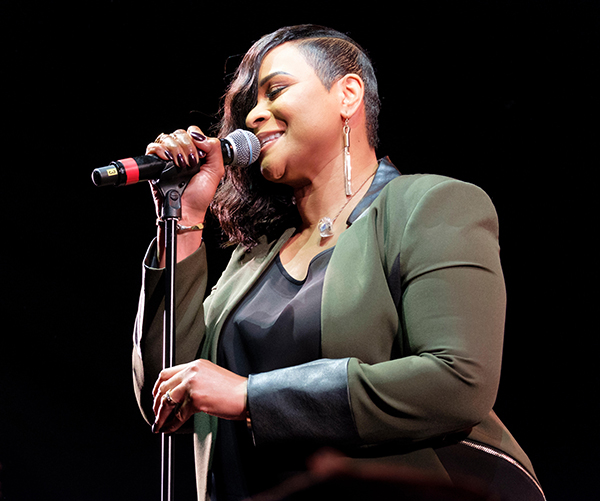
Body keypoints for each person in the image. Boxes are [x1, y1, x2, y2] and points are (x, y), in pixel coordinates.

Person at [132, 24, 545, 501]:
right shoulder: (254, 257)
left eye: (276, 91)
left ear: (347, 93)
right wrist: (184, 217)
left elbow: (457, 381)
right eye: (250, 108)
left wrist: (251, 396)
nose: (256, 116)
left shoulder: (430, 205)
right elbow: (165, 402)